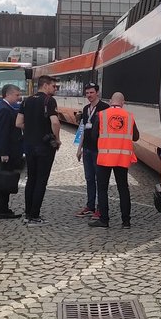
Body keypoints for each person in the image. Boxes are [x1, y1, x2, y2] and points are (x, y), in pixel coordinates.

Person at [87, 92, 139, 229]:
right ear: (123, 102)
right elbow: (136, 137)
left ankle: (104, 220)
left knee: (102, 189)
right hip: (122, 158)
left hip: (104, 158)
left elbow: (93, 136)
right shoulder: (129, 116)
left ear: (111, 101)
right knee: (123, 188)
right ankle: (126, 221)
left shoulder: (102, 115)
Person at [16, 75, 60, 226]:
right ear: (46, 85)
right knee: (41, 180)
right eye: (54, 86)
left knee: (31, 179)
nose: (55, 89)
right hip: (44, 146)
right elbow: (55, 122)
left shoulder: (26, 100)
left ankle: (28, 214)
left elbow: (18, 123)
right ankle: (35, 216)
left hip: (29, 145)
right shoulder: (49, 100)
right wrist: (57, 138)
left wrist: (32, 128)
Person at [75, 82, 110, 218]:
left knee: (100, 180)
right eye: (87, 93)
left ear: (97, 93)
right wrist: (79, 148)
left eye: (91, 92)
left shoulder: (104, 108)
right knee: (89, 178)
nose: (89, 95)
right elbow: (83, 128)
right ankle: (90, 206)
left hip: (99, 150)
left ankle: (101, 209)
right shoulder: (85, 109)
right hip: (87, 149)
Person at [0, 84, 23, 219]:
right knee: (3, 180)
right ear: (8, 95)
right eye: (16, 95)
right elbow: (3, 134)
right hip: (6, 152)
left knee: (2, 179)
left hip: (7, 151)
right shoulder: (5, 110)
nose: (18, 97)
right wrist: (4, 153)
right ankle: (2, 209)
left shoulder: (6, 108)